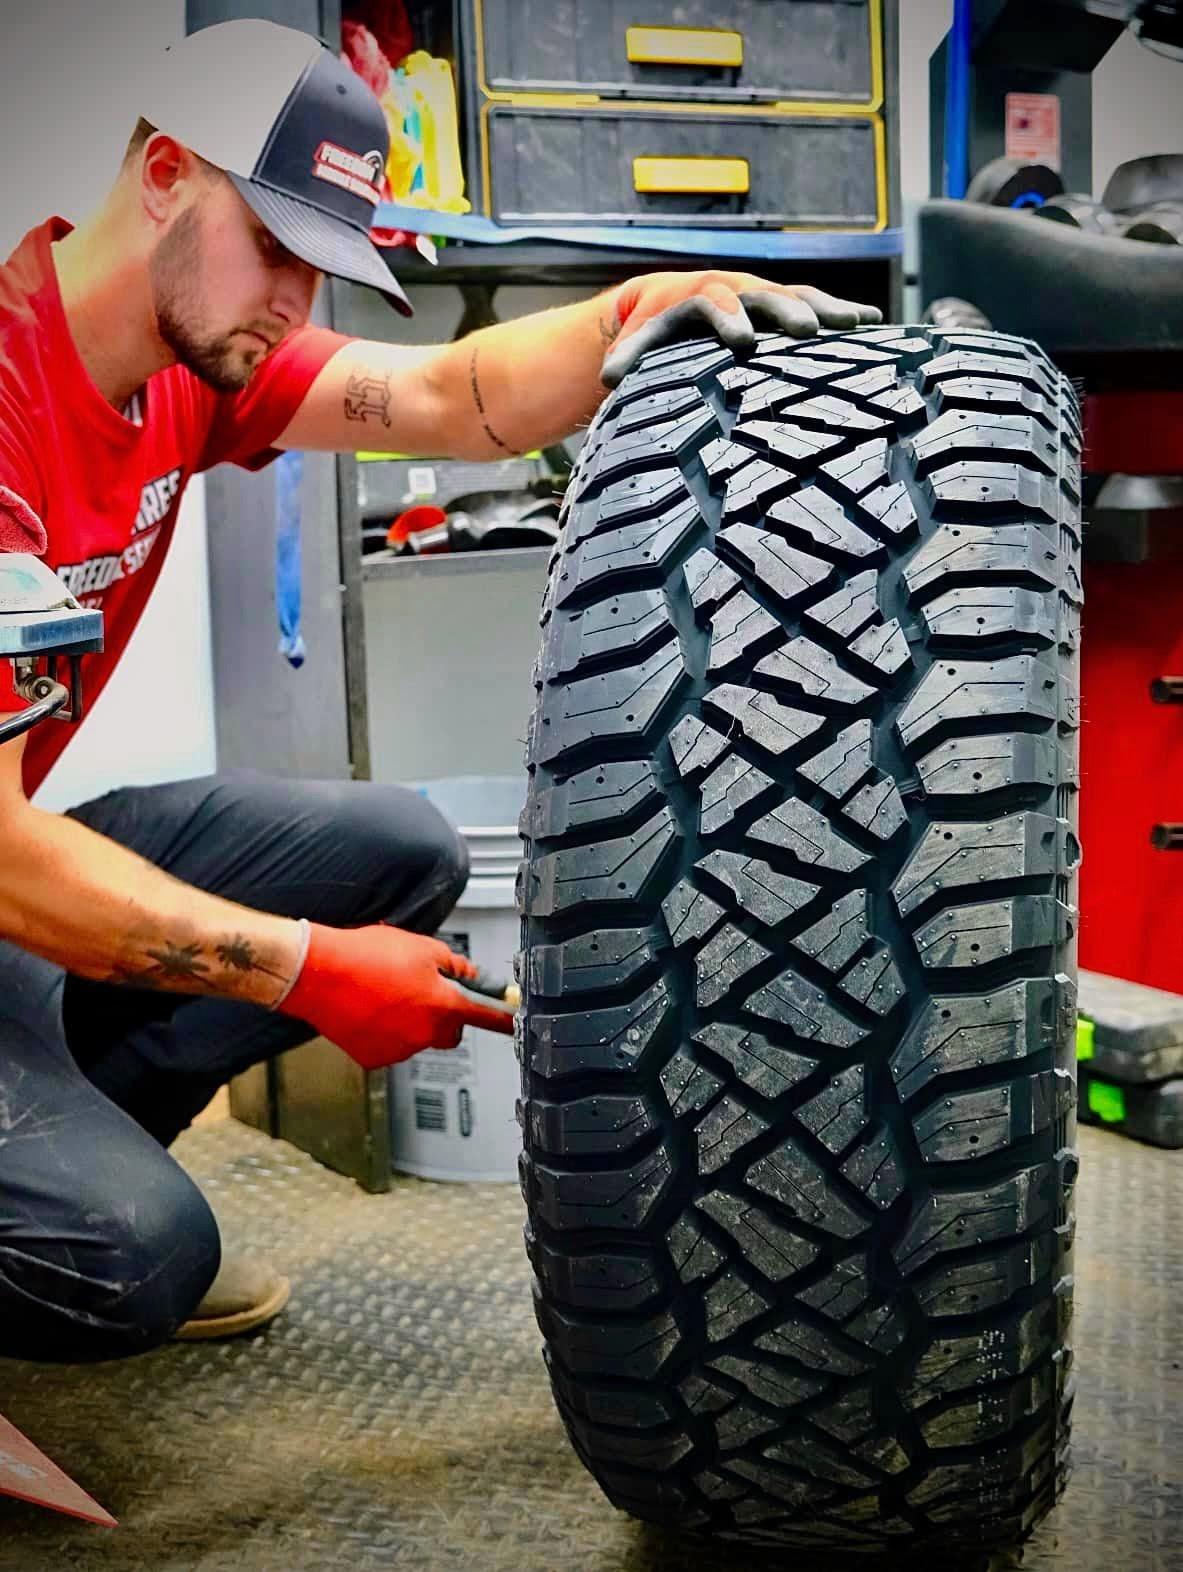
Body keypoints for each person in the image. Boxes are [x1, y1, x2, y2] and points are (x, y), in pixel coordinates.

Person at [0, 19, 881, 1361]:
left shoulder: (190, 365)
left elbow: (446, 396)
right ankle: (87, 1230)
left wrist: (633, 308)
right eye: (278, 247)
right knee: (130, 1258)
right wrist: (306, 972)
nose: (297, 299)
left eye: (323, 264)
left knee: (396, 850)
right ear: (167, 172)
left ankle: (83, 1165)